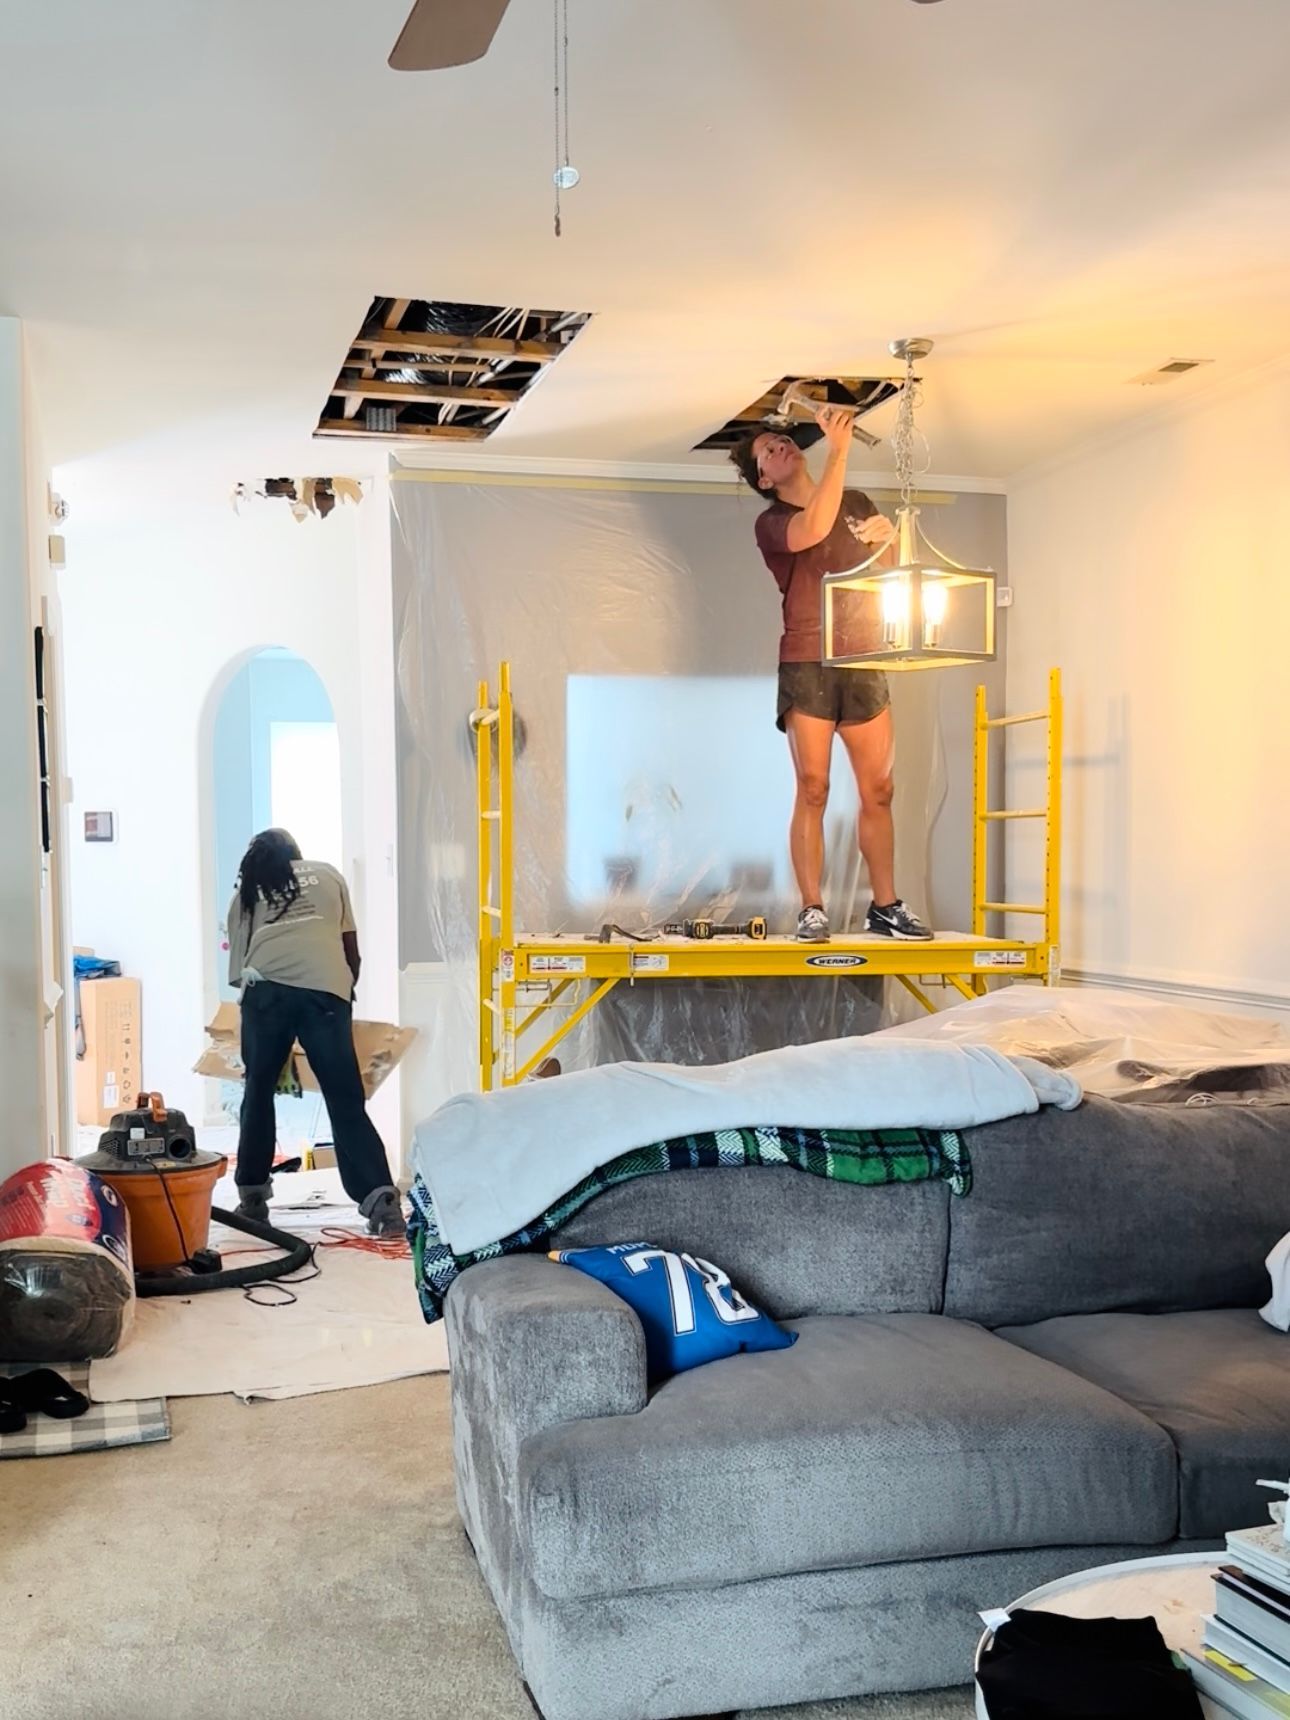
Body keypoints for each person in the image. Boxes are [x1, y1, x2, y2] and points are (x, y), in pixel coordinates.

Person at [731, 405, 933, 944]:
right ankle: (812, 907)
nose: (779, 448)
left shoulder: (857, 504)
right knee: (814, 787)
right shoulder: (771, 523)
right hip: (807, 660)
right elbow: (815, 526)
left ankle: (885, 906)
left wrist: (888, 539)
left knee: (881, 789)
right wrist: (840, 451)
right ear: (764, 479)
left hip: (863, 655)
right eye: (766, 453)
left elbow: (889, 575)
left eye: (781, 441)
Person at [225, 829, 403, 1236]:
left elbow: (239, 974)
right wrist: (339, 998)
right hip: (325, 992)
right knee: (345, 1099)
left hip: (266, 993)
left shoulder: (246, 893)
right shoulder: (327, 875)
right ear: (298, 856)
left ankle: (253, 1201)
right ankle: (384, 1205)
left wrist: (269, 1028)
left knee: (257, 1092)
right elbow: (350, 952)